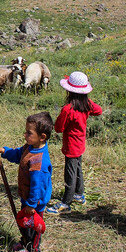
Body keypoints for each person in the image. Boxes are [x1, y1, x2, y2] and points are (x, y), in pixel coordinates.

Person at [0, 112, 53, 252]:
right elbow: (19, 154)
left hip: (35, 202)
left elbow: (38, 186)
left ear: (42, 137)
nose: (25, 135)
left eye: (29, 133)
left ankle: (33, 250)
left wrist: (31, 205)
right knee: (25, 223)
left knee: (34, 226)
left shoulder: (39, 162)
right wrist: (5, 151)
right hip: (27, 197)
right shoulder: (30, 147)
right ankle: (25, 241)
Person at [46, 71, 102, 215]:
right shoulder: (87, 104)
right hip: (80, 143)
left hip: (71, 144)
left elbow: (58, 128)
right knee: (77, 169)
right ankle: (79, 194)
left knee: (69, 173)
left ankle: (66, 202)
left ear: (69, 91)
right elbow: (99, 110)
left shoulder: (68, 109)